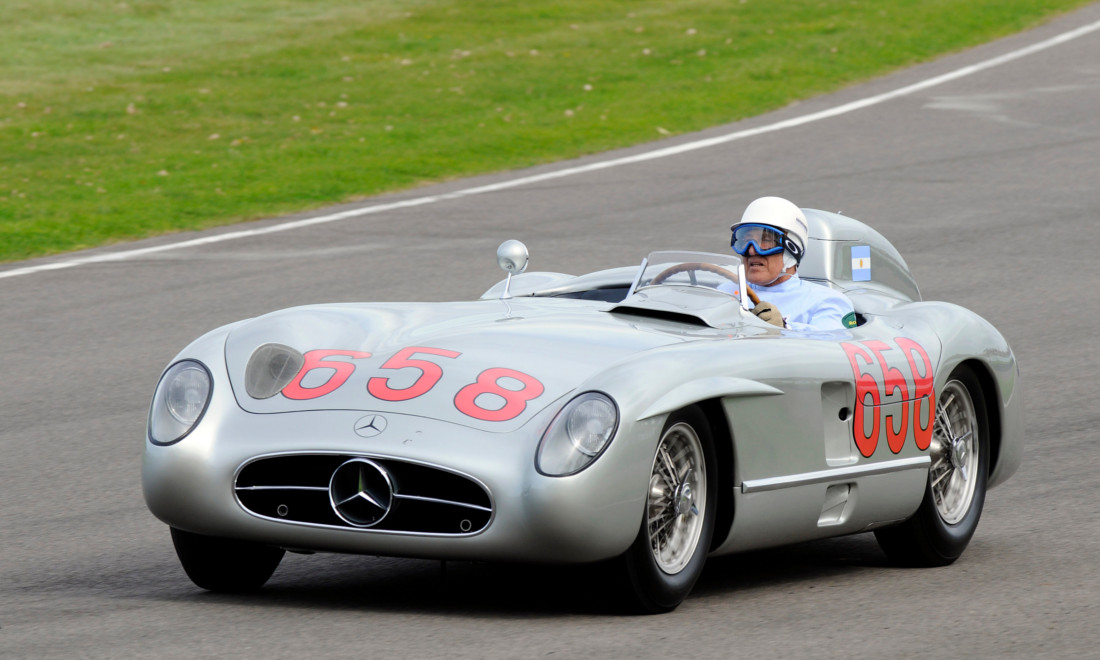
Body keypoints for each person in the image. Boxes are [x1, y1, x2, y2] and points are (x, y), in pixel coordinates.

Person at [719, 196, 857, 331]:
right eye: (746, 240)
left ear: (792, 251)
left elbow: (833, 339)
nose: (751, 250)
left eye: (766, 240)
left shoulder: (828, 301)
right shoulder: (725, 292)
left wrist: (785, 328)